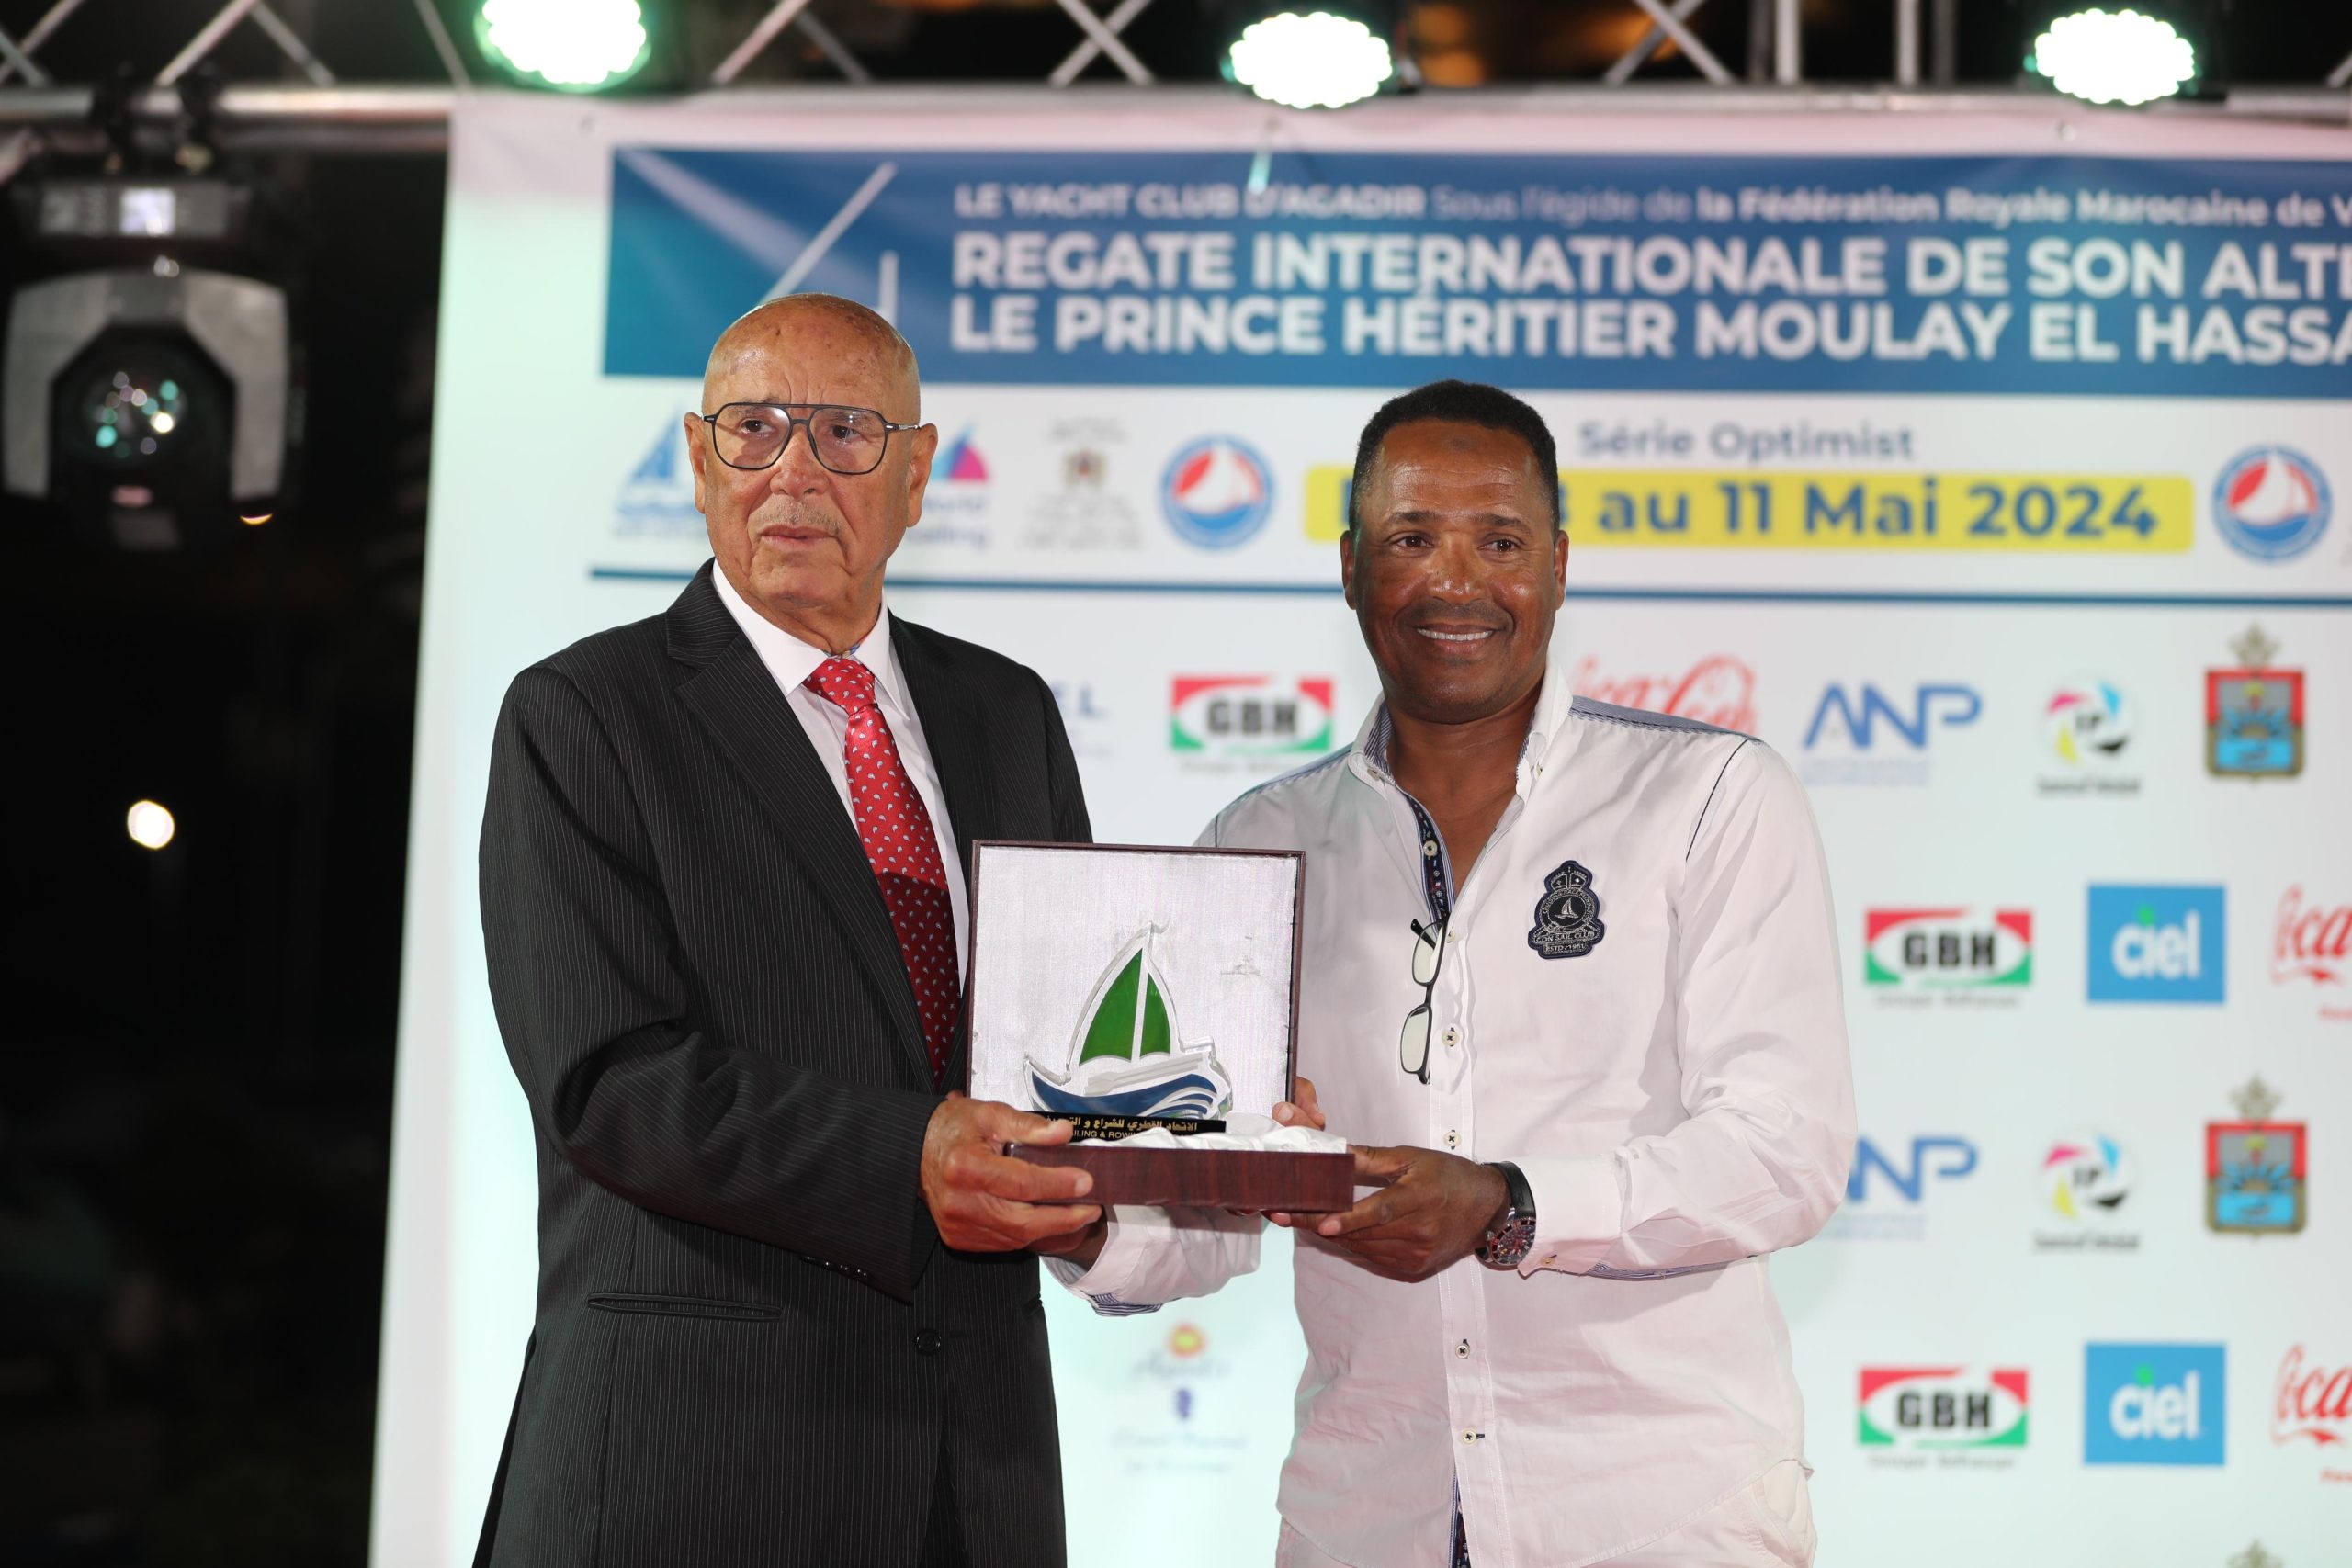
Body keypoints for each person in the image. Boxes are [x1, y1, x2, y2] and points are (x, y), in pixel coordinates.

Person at [1057, 379, 1854, 1566]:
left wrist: (1508, 1203)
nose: (1456, 583)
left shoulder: (1710, 798)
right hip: (1368, 1519)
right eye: (1412, 539)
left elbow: (1784, 1153)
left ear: (1560, 566)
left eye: (1501, 542)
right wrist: (1075, 1211)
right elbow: (1204, 1222)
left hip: (1658, 1518)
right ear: (1350, 567)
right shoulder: (1257, 844)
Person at [474, 294, 1113, 1568]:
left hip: (973, 1473)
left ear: (917, 474)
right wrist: (909, 1156)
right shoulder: (584, 715)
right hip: (690, 1473)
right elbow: (610, 1083)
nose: (796, 472)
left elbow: (1067, 1054)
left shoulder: (1007, 715)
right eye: (755, 429)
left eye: (845, 432)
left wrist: (1196, 1141)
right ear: (699, 459)